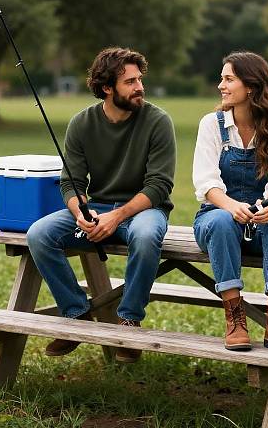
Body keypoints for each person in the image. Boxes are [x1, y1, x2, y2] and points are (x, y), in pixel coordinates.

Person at [27, 47, 176, 363]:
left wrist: (116, 216)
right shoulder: (82, 123)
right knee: (39, 234)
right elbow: (71, 183)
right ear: (107, 88)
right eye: (130, 82)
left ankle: (129, 322)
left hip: (146, 209)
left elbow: (160, 186)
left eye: (139, 79)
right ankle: (76, 313)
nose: (139, 87)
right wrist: (80, 211)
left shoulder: (158, 121)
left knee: (148, 236)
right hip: (97, 205)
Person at [192, 51, 268, 354]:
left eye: (228, 79)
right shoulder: (211, 125)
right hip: (215, 218)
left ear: (250, 87)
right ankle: (235, 319)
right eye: (222, 78)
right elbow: (205, 182)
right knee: (223, 221)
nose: (220, 85)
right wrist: (230, 205)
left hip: (261, 222)